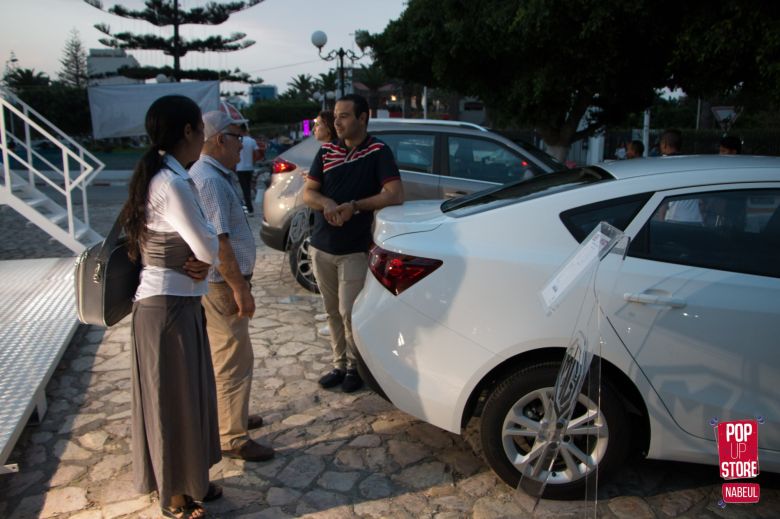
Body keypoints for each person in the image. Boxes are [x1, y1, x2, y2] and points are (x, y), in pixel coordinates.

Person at [121, 95, 220, 519]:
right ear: (188, 132)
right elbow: (207, 245)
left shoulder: (164, 175)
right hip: (167, 311)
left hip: (174, 306)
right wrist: (206, 255)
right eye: (201, 129)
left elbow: (202, 250)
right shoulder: (173, 183)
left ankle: (191, 480)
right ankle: (177, 495)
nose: (204, 138)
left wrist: (204, 257)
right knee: (173, 403)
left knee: (185, 398)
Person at [303, 94, 404, 393]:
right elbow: (308, 193)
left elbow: (394, 194)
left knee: (350, 312)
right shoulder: (326, 152)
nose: (337, 121)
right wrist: (327, 203)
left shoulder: (377, 151)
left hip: (354, 248)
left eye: (345, 115)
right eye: (335, 116)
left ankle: (355, 368)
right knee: (331, 311)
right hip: (322, 245)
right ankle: (338, 364)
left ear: (363, 118)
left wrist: (354, 206)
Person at [189, 111, 275, 462]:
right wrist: (239, 287)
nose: (244, 144)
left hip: (224, 282)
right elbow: (219, 242)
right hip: (223, 284)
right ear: (220, 139)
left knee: (231, 355)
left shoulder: (213, 175)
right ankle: (231, 436)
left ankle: (231, 417)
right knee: (233, 360)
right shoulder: (208, 179)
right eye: (239, 137)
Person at [312, 109, 338, 338]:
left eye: (318, 125)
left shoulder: (334, 152)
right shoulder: (324, 153)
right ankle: (331, 315)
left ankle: (334, 321)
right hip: (324, 221)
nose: (313, 129)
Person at [235, 125, 260, 216]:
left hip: (240, 168)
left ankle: (249, 208)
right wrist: (253, 162)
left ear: (241, 131)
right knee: (248, 188)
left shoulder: (238, 140)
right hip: (249, 167)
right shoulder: (252, 141)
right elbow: (257, 153)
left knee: (244, 189)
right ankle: (249, 207)